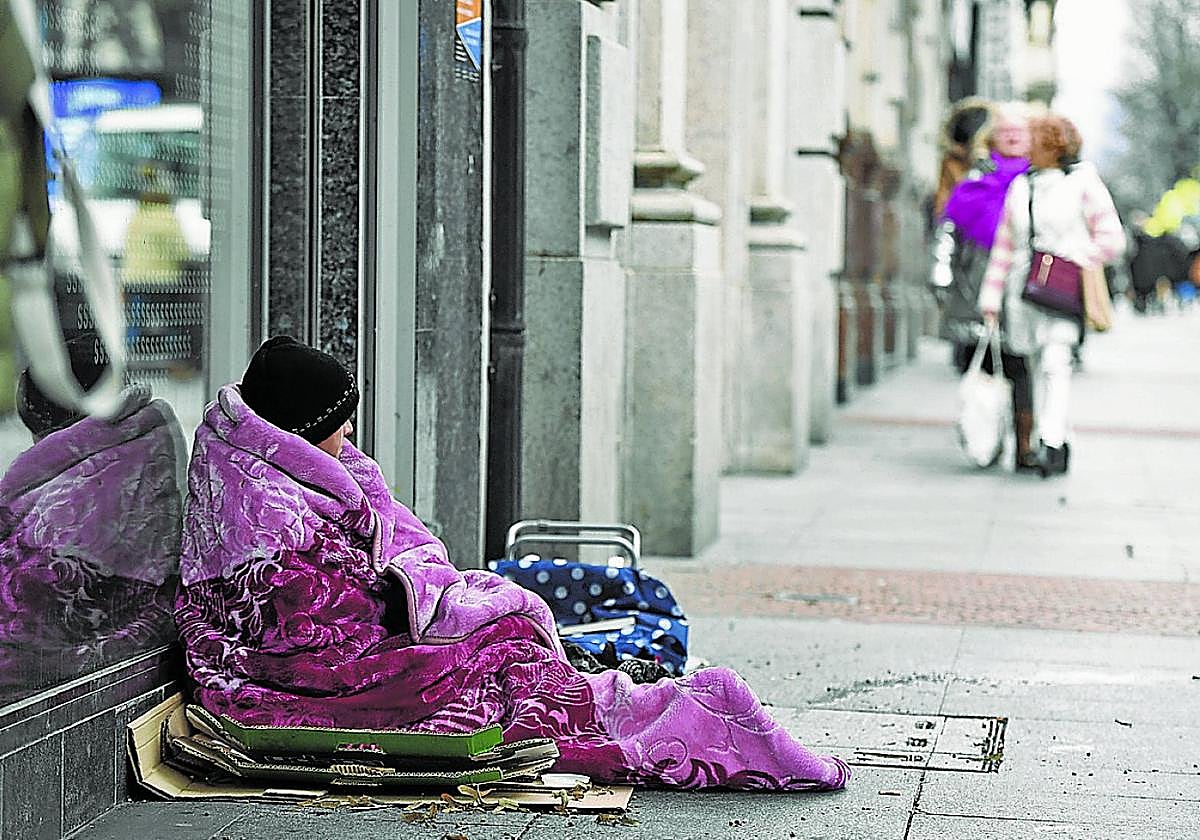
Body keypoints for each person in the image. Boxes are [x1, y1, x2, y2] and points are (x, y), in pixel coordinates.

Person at [174, 336, 850, 791]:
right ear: (297, 433)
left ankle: (657, 704)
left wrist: (433, 591)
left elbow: (379, 553)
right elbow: (313, 633)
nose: (350, 435)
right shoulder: (262, 515)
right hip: (307, 679)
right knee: (501, 659)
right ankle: (686, 720)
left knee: (507, 630)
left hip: (349, 648)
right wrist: (434, 607)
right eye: (340, 422)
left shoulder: (281, 472)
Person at [0, 333, 186, 698]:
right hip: (143, 666)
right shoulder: (145, 447)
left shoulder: (71, 502)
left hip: (68, 688)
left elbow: (25, 614)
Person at [978, 114, 1125, 477]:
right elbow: (1004, 246)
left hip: (1063, 291)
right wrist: (991, 299)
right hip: (1023, 292)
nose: (1026, 146)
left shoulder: (1084, 183)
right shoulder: (1021, 187)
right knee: (1031, 366)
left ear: (1053, 145)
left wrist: (1075, 260)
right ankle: (1056, 436)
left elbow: (1112, 239)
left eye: (1034, 139)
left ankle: (1052, 441)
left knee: (1056, 365)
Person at [933, 102, 1037, 471]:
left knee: (1021, 365)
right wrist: (941, 275)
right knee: (977, 362)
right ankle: (987, 435)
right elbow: (949, 228)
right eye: (1005, 130)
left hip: (1026, 290)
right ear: (992, 137)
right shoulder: (975, 179)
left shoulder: (1041, 181)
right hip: (976, 285)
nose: (1011, 135)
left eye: (1019, 131)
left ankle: (1025, 443)